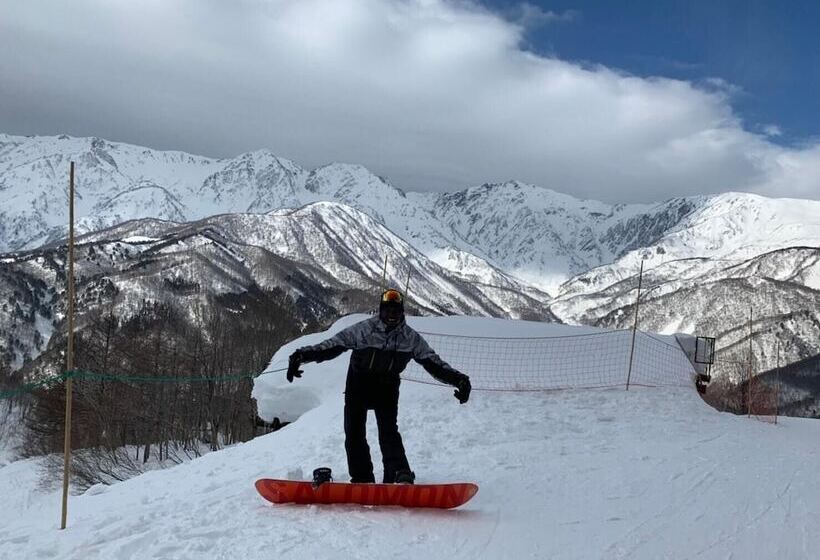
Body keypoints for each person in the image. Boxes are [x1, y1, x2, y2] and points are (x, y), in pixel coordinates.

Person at [287, 288, 471, 484]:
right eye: (388, 311)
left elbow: (433, 363)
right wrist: (301, 356)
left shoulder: (410, 339)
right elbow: (331, 346)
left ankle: (398, 473)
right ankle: (362, 477)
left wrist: (459, 380)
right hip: (358, 385)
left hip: (387, 388)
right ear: (381, 310)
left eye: (396, 311)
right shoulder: (363, 330)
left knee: (389, 432)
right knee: (354, 432)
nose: (391, 315)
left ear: (402, 312)